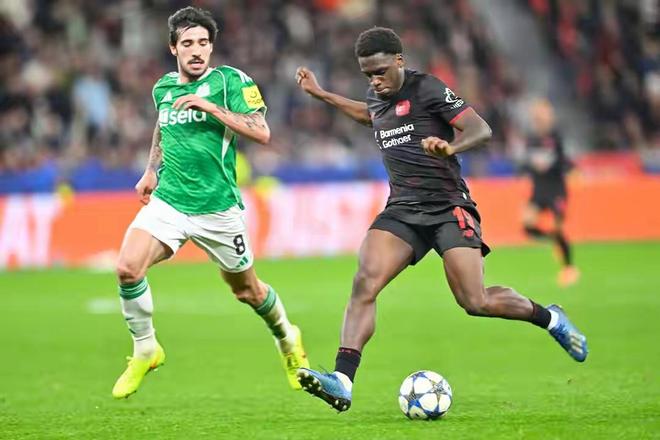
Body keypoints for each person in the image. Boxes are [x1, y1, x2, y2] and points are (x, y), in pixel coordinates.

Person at [293, 27, 587, 412]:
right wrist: (323, 94)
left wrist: (451, 146)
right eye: (368, 74)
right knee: (365, 281)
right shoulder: (377, 97)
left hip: (448, 206)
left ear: (399, 60)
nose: (375, 81)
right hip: (403, 210)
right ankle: (343, 381)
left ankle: (550, 318)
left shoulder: (427, 88)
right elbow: (370, 115)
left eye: (380, 71)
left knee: (475, 300)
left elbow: (481, 130)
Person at [111, 6, 308, 399]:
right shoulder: (163, 88)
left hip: (218, 209)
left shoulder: (230, 81)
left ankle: (288, 339)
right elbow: (163, 124)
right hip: (170, 202)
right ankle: (146, 348)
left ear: (212, 47)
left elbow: (262, 132)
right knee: (127, 269)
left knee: (248, 292)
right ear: (173, 48)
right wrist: (151, 170)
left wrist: (212, 108)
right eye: (188, 43)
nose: (197, 50)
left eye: (203, 42)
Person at [521, 98, 579, 287]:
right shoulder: (531, 139)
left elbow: (564, 161)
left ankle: (569, 268)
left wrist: (572, 170)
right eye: (536, 113)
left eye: (543, 112)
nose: (539, 116)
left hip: (556, 190)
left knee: (557, 227)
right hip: (539, 190)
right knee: (527, 225)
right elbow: (529, 162)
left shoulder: (556, 137)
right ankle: (554, 240)